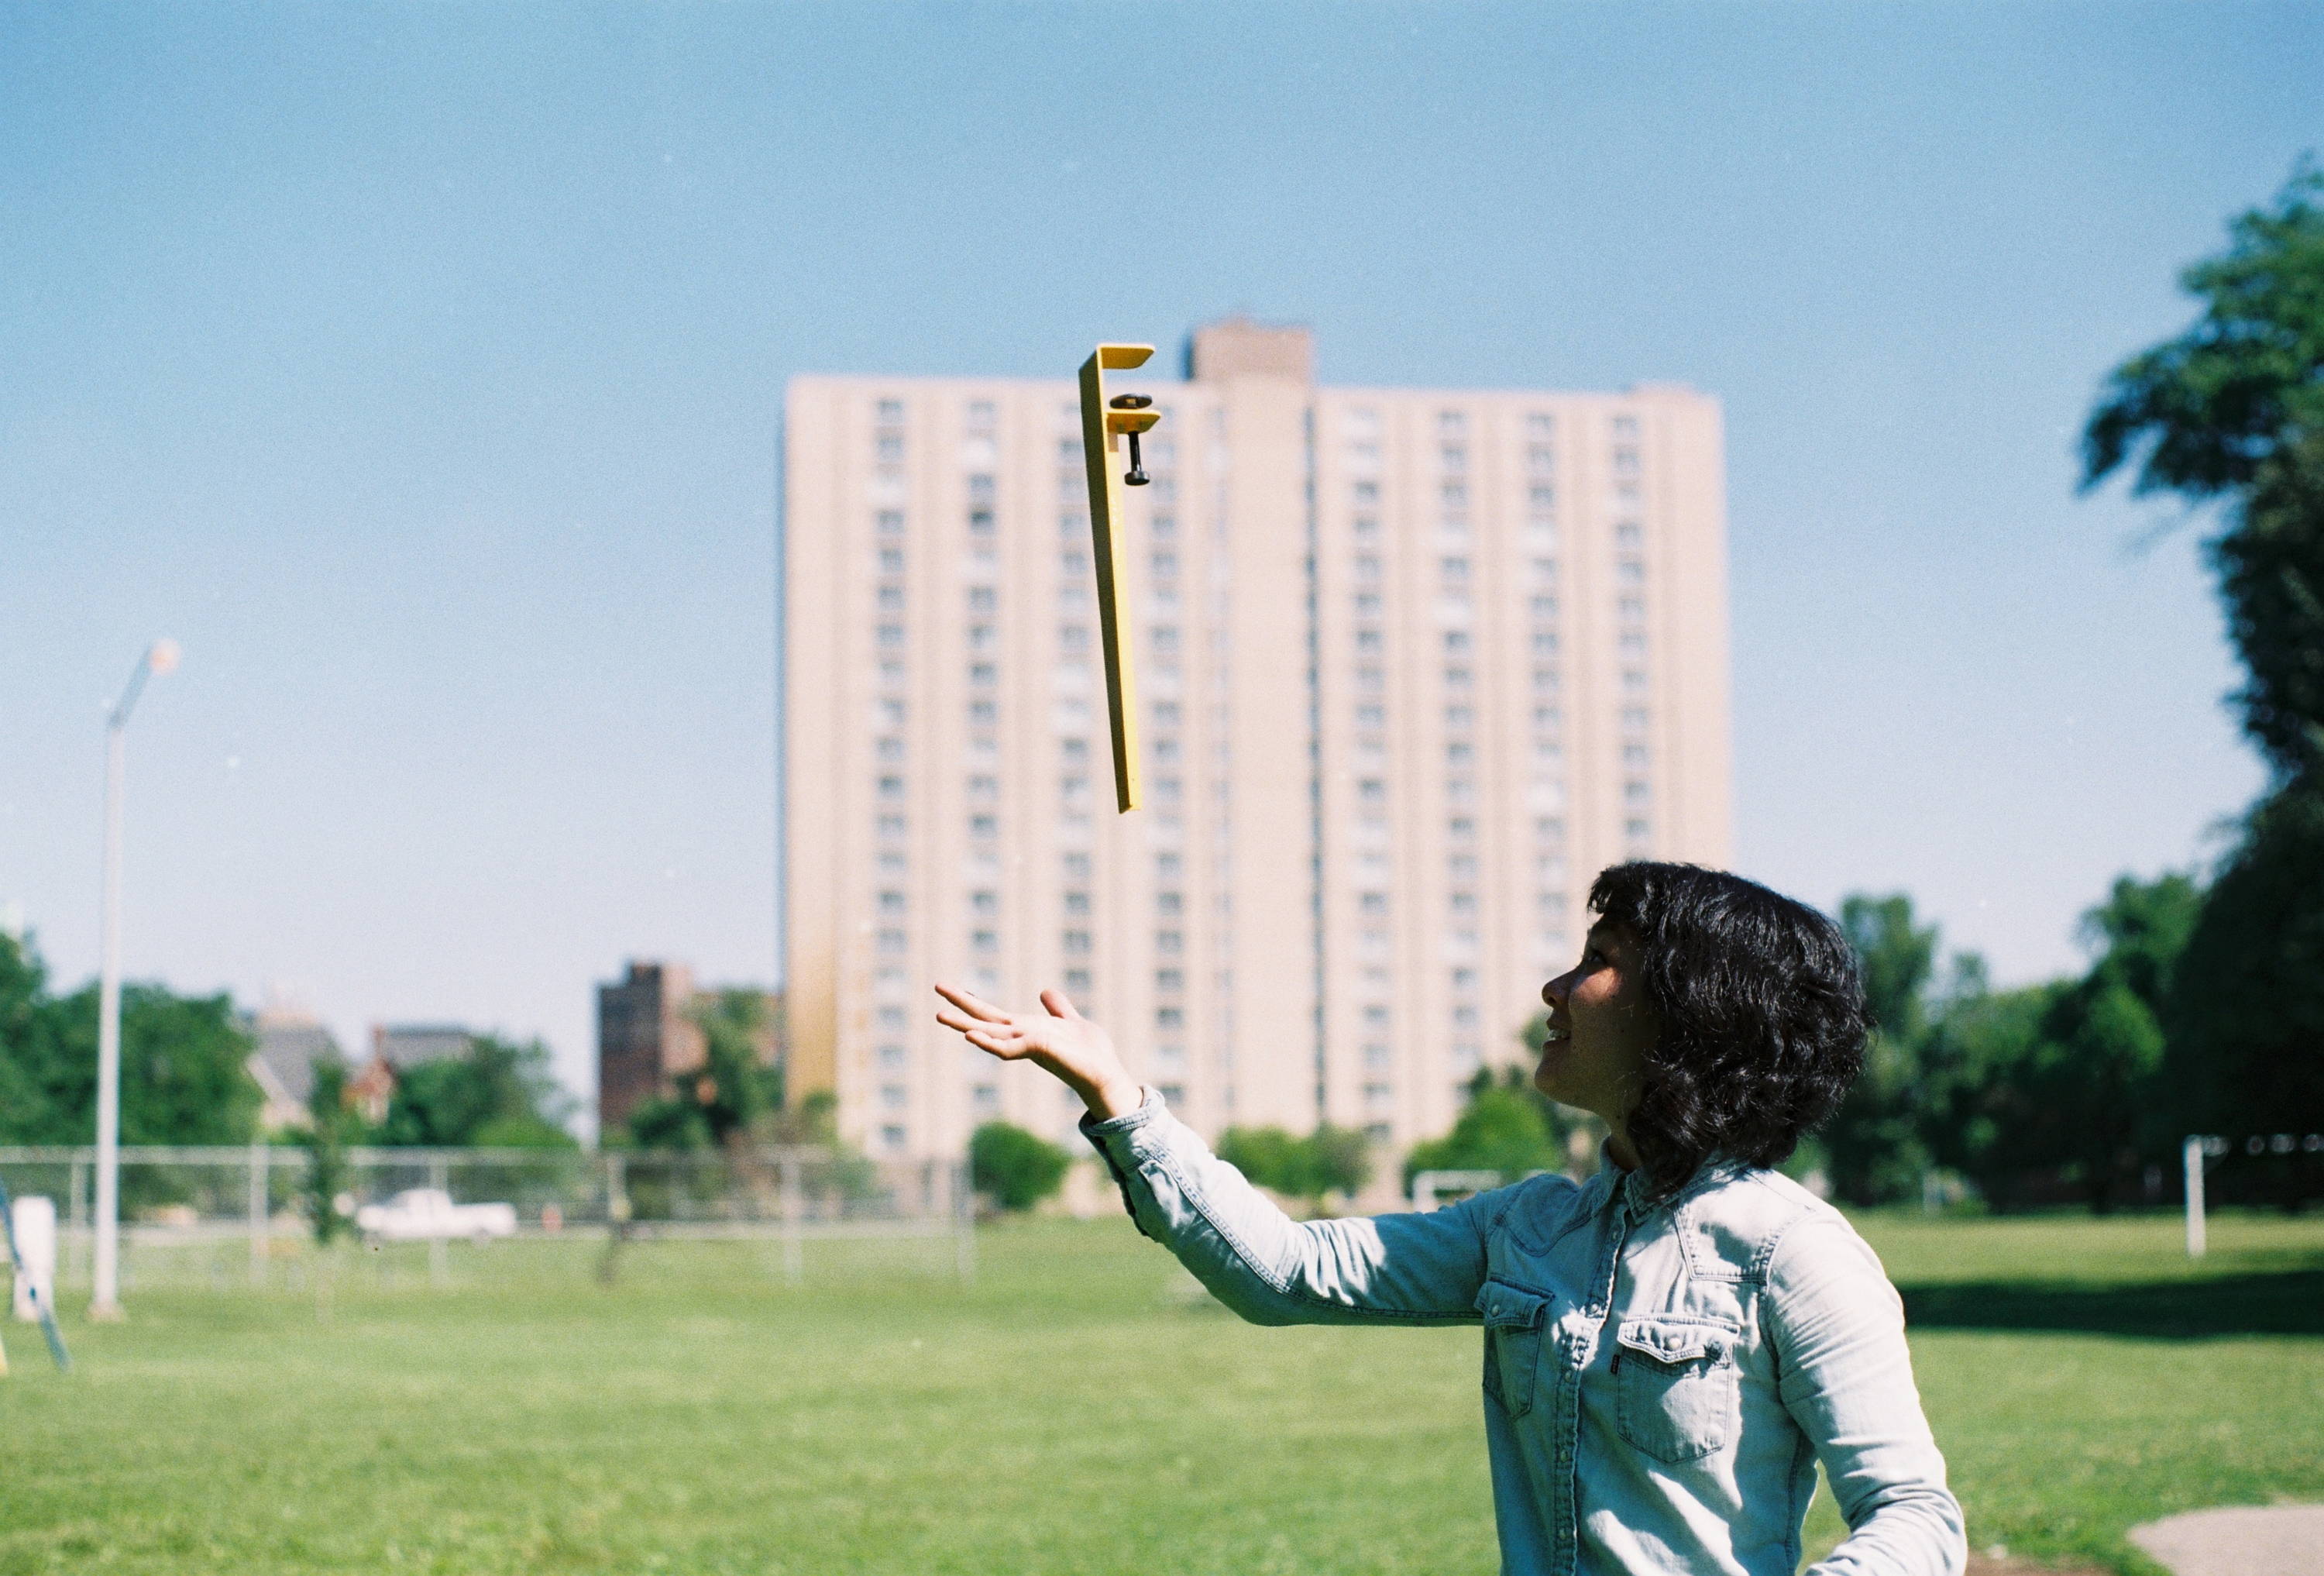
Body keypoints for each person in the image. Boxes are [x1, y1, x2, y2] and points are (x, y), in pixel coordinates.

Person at [934, 861, 1966, 1576]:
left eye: (1597, 958)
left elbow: (1917, 1517)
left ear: (1684, 1006)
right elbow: (1284, 1270)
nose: (1554, 986)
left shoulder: (1795, 1255)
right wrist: (1120, 1093)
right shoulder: (1525, 1228)